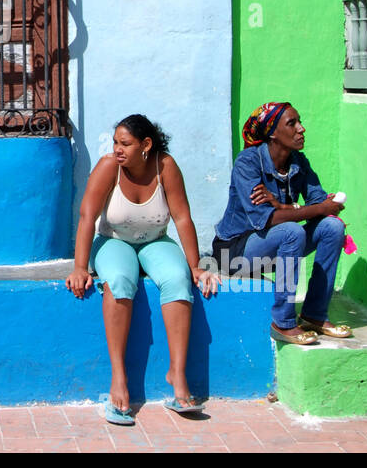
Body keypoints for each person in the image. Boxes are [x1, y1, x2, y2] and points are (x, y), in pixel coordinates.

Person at [66, 115, 220, 425]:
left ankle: (177, 377)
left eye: (125, 144)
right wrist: (80, 267)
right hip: (113, 241)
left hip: (155, 241)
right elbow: (86, 217)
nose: (117, 150)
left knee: (177, 280)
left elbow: (182, 218)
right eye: (115, 143)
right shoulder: (109, 167)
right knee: (120, 281)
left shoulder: (166, 167)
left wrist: (195, 267)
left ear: (146, 145)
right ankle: (119, 379)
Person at [213, 102, 351, 346]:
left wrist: (309, 206)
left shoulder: (298, 161)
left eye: (299, 122)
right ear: (273, 133)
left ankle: (314, 314)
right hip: (234, 251)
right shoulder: (248, 163)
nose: (301, 129)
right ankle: (283, 322)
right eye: (292, 124)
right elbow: (264, 219)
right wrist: (311, 209)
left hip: (275, 243)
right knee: (291, 231)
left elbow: (317, 202)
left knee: (333, 227)